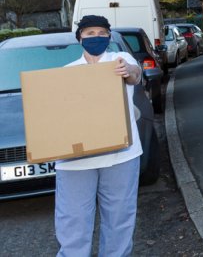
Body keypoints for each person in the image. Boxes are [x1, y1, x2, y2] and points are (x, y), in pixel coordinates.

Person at [55, 15, 143, 257]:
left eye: (102, 33)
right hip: (75, 161)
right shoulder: (66, 73)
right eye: (90, 33)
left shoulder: (119, 61)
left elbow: (135, 74)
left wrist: (129, 71)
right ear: (79, 37)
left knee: (119, 218)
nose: (96, 37)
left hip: (121, 155)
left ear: (109, 36)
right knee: (73, 223)